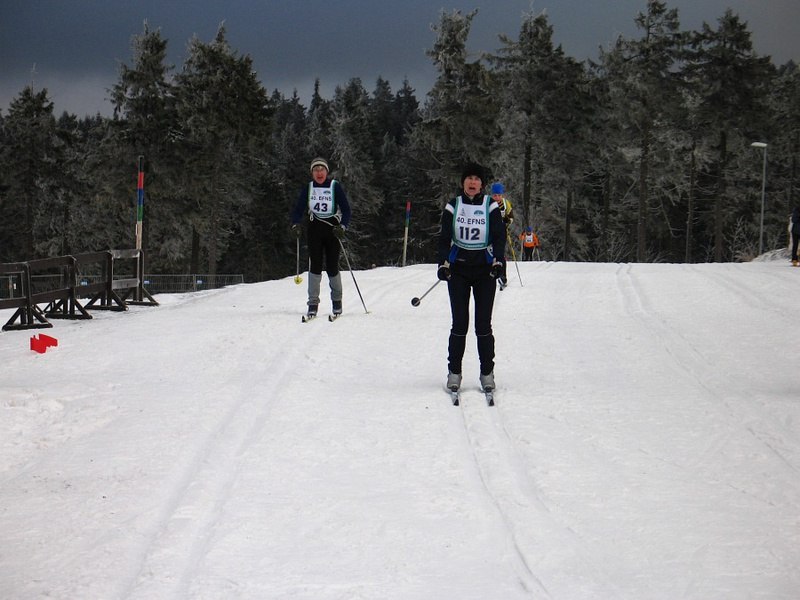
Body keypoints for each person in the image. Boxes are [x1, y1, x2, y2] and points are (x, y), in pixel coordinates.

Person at [438, 163, 506, 393]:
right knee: (459, 324)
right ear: (463, 182)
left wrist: (498, 262)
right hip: (458, 270)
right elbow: (444, 237)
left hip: (484, 271)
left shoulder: (490, 206)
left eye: (477, 179)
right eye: (469, 178)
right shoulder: (453, 205)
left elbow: (499, 236)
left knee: (483, 325)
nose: (473, 182)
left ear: (482, 184)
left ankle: (487, 373)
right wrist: (442, 263)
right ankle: (454, 372)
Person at [290, 157, 352, 318]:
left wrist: (342, 227)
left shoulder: (334, 186)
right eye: (316, 170)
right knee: (315, 266)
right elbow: (298, 210)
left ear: (327, 171)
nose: (319, 173)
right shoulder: (309, 188)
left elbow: (346, 210)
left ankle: (337, 302)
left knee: (332, 267)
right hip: (315, 229)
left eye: (322, 169)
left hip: (332, 230)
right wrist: (296, 224)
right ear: (312, 173)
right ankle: (312, 304)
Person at [490, 182, 513, 289]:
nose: (497, 197)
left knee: (500, 253)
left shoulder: (505, 203)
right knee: (489, 253)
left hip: (501, 231)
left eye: (499, 195)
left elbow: (511, 216)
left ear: (502, 195)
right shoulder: (488, 203)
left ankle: (503, 276)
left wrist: (507, 220)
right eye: (495, 195)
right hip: (489, 231)